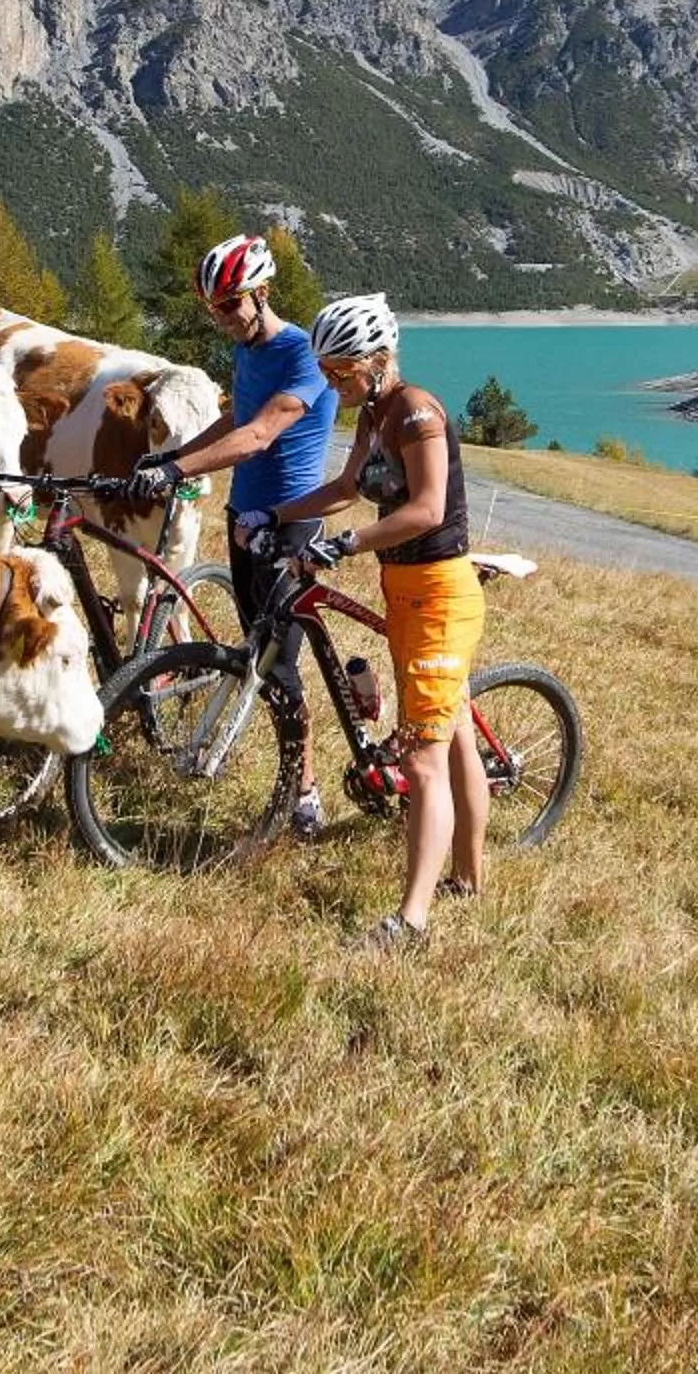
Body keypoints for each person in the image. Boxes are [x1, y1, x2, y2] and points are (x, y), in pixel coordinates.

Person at [269, 292, 485, 950]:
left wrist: (346, 543)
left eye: (341, 372)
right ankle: (469, 882)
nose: (334, 383)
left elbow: (424, 508)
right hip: (404, 589)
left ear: (377, 359)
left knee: (422, 760)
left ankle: (411, 922)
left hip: (439, 594)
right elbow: (346, 488)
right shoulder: (375, 412)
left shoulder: (416, 412)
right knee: (455, 741)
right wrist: (274, 517)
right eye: (328, 373)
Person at [125, 233, 343, 835]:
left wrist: (176, 470)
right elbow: (233, 419)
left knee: (279, 666)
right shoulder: (248, 353)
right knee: (255, 651)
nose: (221, 318)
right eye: (212, 309)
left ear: (261, 293)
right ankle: (294, 777)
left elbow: (259, 436)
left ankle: (303, 794)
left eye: (229, 305)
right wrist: (170, 456)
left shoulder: (304, 355)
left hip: (291, 523)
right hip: (246, 518)